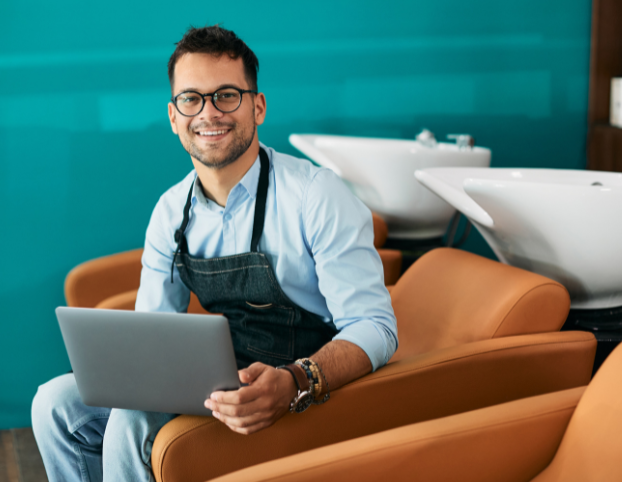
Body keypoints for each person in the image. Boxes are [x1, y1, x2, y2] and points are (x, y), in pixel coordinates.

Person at [31, 25, 398, 481]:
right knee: (54, 402)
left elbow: (376, 328)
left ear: (257, 106)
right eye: (191, 98)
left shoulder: (315, 194)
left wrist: (295, 381)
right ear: (173, 115)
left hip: (305, 392)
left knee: (131, 419)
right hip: (221, 388)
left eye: (227, 95)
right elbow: (153, 336)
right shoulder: (171, 210)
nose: (209, 113)